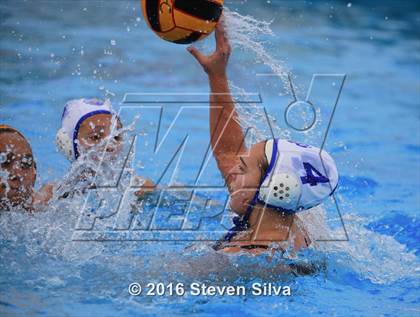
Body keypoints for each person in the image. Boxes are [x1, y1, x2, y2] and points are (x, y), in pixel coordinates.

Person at [188, 19, 338, 255]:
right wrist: (217, 76)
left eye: (243, 166)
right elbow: (227, 153)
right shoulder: (298, 229)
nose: (233, 167)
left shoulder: (243, 257)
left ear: (277, 188)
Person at [55, 98, 154, 197]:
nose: (110, 145)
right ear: (69, 144)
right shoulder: (53, 194)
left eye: (116, 137)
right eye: (95, 137)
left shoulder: (139, 187)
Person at [0, 125, 52, 211]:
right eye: (4, 163)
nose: (18, 174)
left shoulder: (43, 207)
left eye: (26, 163)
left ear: (34, 173)